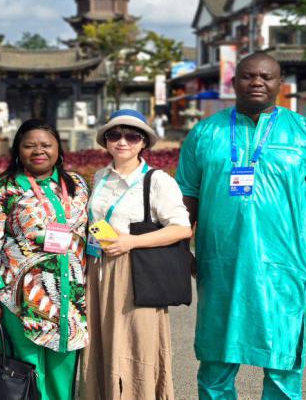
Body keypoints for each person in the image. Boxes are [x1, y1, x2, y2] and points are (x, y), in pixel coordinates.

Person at [175, 52, 306, 399]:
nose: (257, 82)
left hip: (284, 263)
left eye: (266, 77)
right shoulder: (205, 132)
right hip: (221, 262)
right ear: (234, 81)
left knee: (284, 357)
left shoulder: (305, 133)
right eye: (248, 76)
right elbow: (187, 195)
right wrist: (181, 248)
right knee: (216, 355)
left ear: (279, 84)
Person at [0, 119, 89, 400]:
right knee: (26, 370)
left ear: (59, 149)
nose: (39, 151)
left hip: (69, 296)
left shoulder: (77, 185)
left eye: (46, 145)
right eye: (29, 145)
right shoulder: (4, 189)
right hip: (22, 298)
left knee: (64, 368)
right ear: (18, 150)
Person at [80, 109, 192, 400]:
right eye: (114, 135)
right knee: (102, 345)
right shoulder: (100, 177)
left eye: (132, 136)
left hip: (135, 272)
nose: (122, 142)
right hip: (98, 270)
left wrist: (132, 242)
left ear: (144, 142)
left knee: (136, 345)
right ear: (105, 140)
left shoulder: (156, 181)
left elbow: (181, 229)